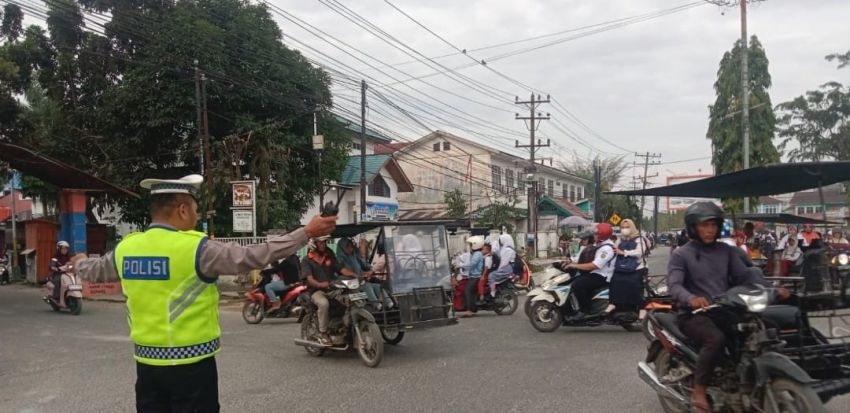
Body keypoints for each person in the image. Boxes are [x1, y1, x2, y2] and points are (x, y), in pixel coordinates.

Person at [72, 174, 336, 412]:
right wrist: (305, 233)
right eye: (196, 210)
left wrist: (79, 260)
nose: (196, 217)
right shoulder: (198, 249)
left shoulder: (126, 249)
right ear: (183, 209)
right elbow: (252, 256)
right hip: (192, 367)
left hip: (147, 366)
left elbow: (91, 270)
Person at [668, 202, 789, 412]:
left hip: (724, 308)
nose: (709, 230)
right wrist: (691, 298)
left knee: (761, 328)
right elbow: (675, 285)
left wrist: (773, 289)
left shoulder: (726, 251)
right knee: (715, 339)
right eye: (704, 225)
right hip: (694, 314)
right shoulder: (682, 254)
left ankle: (746, 379)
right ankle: (699, 390)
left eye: (713, 225)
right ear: (693, 227)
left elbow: (747, 275)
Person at [563, 224, 617, 321]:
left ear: (602, 235)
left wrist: (574, 265)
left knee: (577, 284)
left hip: (602, 276)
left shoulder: (607, 249)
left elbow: (595, 265)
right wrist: (571, 262)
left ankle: (584, 311)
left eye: (596, 234)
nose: (594, 236)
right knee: (573, 281)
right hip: (596, 273)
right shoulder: (600, 245)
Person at [337, 237, 391, 310]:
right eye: (347, 247)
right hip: (349, 285)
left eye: (351, 246)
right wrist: (357, 276)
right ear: (342, 248)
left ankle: (389, 303)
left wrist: (369, 270)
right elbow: (343, 273)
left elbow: (364, 265)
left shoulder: (354, 256)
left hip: (361, 282)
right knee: (367, 286)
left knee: (377, 286)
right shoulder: (339, 261)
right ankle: (376, 305)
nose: (350, 248)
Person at [609, 219, 648, 316]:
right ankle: (614, 303)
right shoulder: (620, 239)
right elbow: (614, 249)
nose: (624, 229)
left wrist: (624, 252)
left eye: (627, 227)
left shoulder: (639, 239)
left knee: (635, 284)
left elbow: (639, 252)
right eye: (622, 227)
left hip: (637, 267)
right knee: (615, 280)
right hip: (622, 267)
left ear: (632, 227)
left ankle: (641, 308)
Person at [486, 234, 516, 298]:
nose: (500, 242)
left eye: (501, 241)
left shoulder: (507, 250)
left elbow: (504, 262)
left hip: (506, 268)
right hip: (507, 267)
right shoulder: (505, 248)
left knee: (491, 275)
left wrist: (497, 269)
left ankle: (492, 293)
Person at [461, 236, 485, 317]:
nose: (470, 247)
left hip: (475, 277)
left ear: (475, 245)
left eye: (471, 245)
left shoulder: (477, 254)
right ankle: (473, 308)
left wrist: (460, 266)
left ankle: (469, 310)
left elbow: (472, 264)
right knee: (472, 292)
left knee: (467, 291)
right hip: (473, 276)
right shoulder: (475, 254)